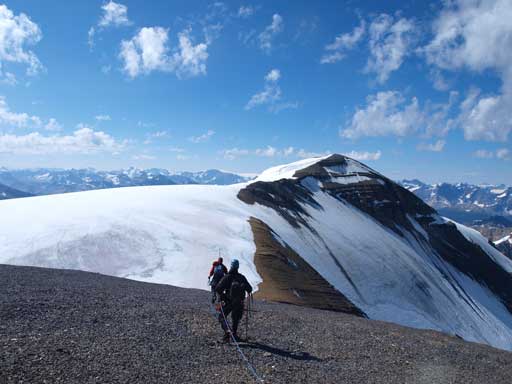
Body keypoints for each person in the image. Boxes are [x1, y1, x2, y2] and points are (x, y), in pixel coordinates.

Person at [215, 259, 253, 342]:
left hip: (229, 301)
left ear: (231, 266)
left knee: (222, 317)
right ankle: (234, 334)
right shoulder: (241, 277)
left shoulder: (227, 277)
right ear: (238, 267)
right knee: (235, 318)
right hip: (239, 302)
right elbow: (249, 289)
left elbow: (218, 289)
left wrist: (223, 297)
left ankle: (227, 331)